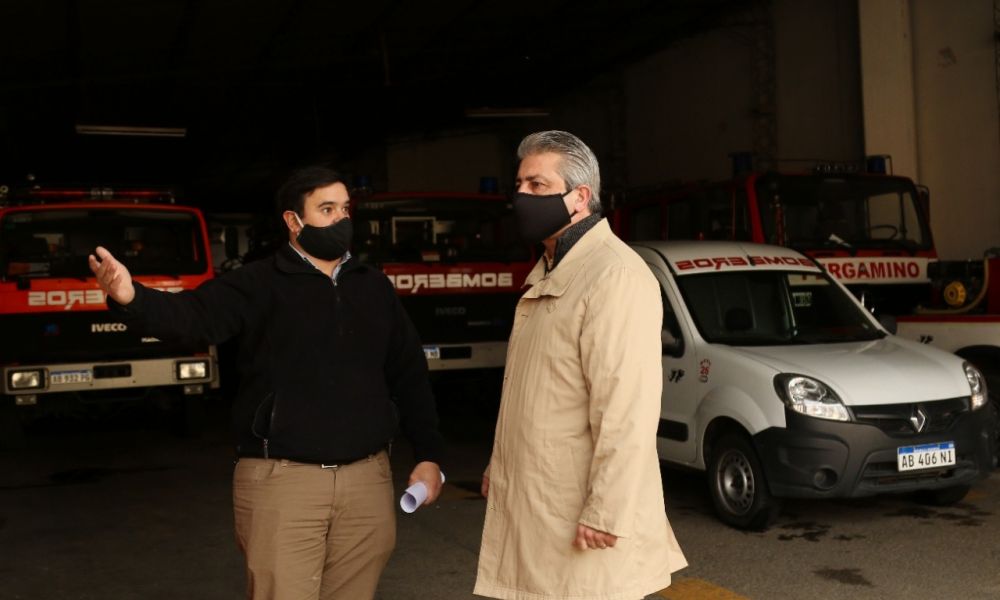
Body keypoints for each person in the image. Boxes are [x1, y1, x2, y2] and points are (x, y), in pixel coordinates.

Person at [88, 166, 445, 600]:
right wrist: (131, 297)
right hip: (283, 481)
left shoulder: (373, 287)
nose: (341, 220)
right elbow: (193, 318)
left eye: (345, 209)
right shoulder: (257, 283)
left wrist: (429, 454)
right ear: (293, 222)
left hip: (367, 481)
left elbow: (408, 372)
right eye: (326, 209)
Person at [474, 131, 687, 600]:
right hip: (543, 501)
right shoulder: (550, 272)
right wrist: (500, 464)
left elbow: (626, 408)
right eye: (520, 186)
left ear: (580, 197)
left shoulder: (614, 276)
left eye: (537, 185)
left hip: (582, 517)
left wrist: (606, 511)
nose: (522, 197)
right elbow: (537, 391)